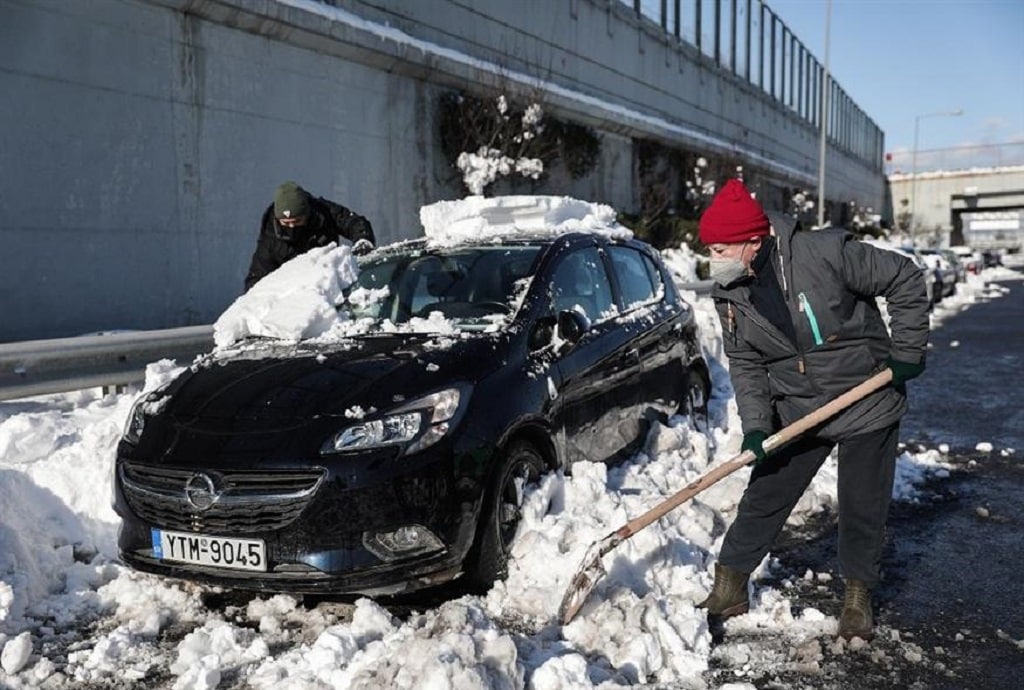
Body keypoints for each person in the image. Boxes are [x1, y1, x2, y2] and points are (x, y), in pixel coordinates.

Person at [694, 179, 930, 641]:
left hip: (864, 394)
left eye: (721, 247)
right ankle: (730, 585)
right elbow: (745, 363)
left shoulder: (823, 252)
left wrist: (907, 350)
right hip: (799, 406)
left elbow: (904, 276)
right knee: (764, 495)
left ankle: (858, 597)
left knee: (862, 504)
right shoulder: (731, 293)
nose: (713, 258)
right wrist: (758, 427)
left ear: (753, 241)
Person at [244, 181, 376, 291]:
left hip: (331, 283)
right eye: (286, 223)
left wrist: (363, 241)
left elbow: (354, 222)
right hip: (298, 296)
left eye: (297, 221)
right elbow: (256, 279)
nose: (291, 226)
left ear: (307, 214)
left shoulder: (324, 212)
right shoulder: (270, 239)